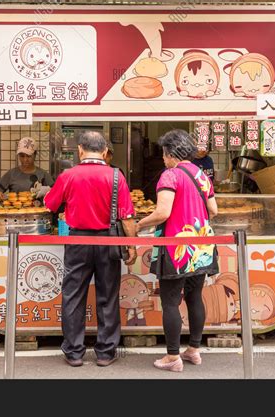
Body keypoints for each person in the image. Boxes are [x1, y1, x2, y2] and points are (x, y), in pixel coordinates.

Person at [44, 131, 137, 367]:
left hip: (77, 242)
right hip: (109, 242)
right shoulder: (117, 176)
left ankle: (74, 352)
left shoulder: (68, 175)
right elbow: (127, 218)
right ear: (105, 151)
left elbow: (50, 204)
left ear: (80, 150)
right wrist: (132, 246)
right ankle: (105, 352)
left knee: (73, 295)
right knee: (108, 295)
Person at [136, 129, 219, 372]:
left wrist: (140, 224)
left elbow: (163, 212)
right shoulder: (201, 175)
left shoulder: (169, 175)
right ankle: (193, 350)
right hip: (201, 246)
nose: (162, 158)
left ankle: (172, 357)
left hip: (176, 248)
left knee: (170, 301)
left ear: (171, 153)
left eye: (163, 153)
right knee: (194, 297)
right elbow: (213, 211)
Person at [0, 137, 53, 202]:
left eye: (28, 156)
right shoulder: (12, 174)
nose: (25, 160)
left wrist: (48, 191)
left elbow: (56, 193)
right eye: (22, 156)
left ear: (35, 155)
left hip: (39, 210)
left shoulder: (43, 174)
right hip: (15, 210)